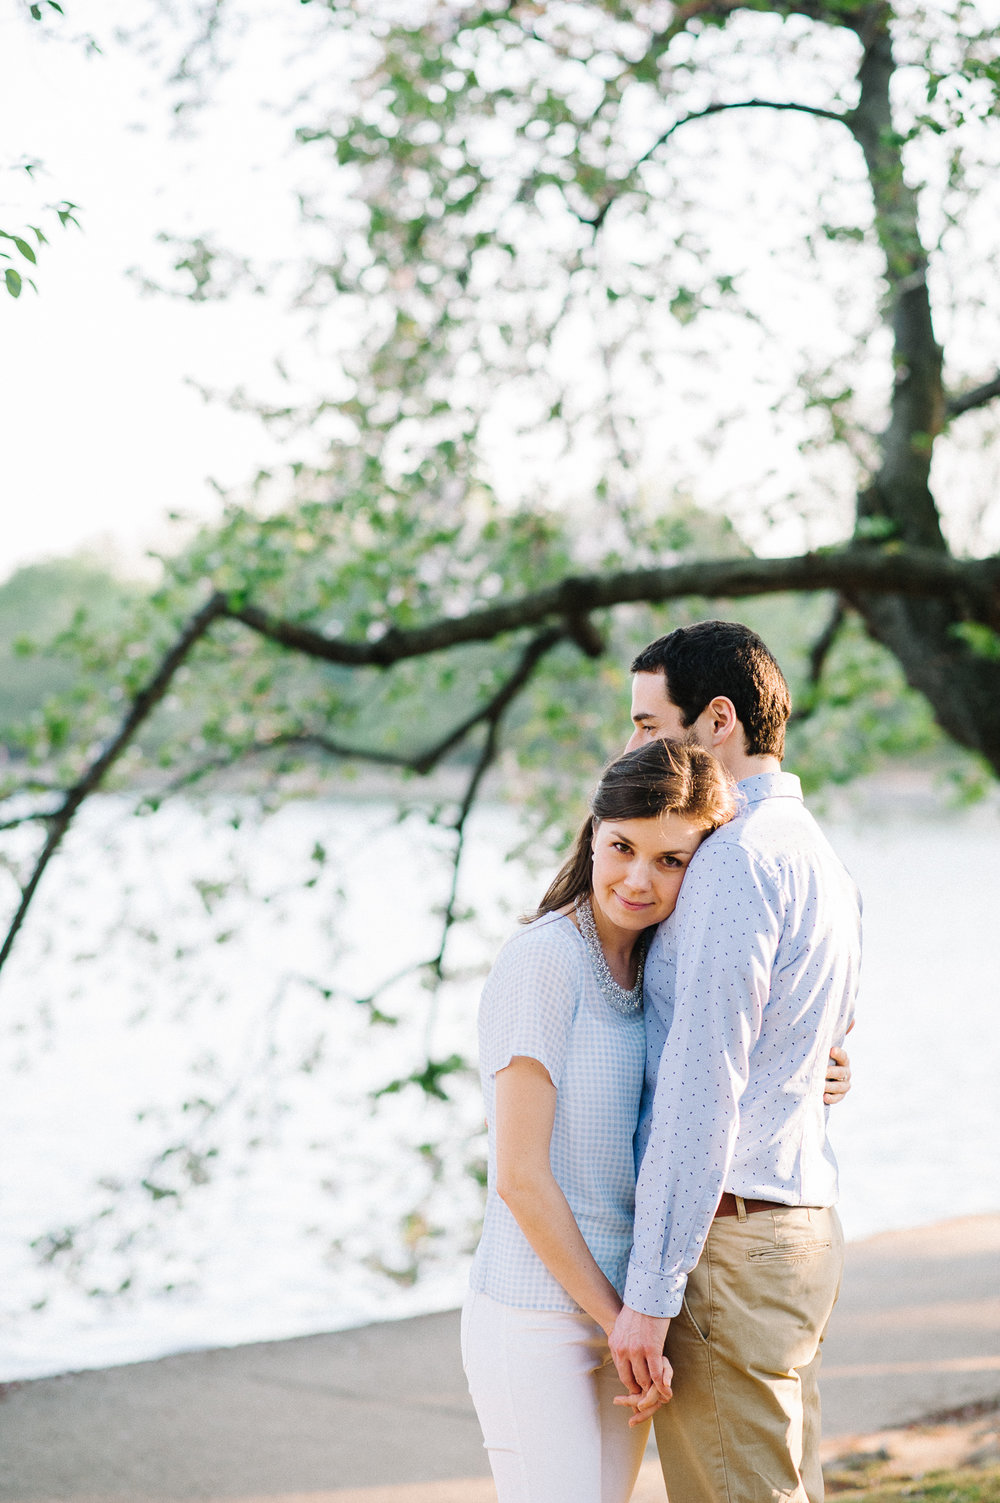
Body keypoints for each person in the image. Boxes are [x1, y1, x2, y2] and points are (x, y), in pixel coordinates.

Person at [462, 737, 852, 1503]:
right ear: (593, 835)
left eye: (671, 860)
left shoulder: (653, 971)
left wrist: (825, 1068)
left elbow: (723, 1070)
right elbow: (519, 1176)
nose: (639, 878)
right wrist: (623, 1320)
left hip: (626, 1313)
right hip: (540, 1314)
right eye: (622, 847)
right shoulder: (544, 959)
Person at [609, 621, 862, 1503]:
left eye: (649, 724)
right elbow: (826, 1035)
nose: (632, 745)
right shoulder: (815, 853)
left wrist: (649, 1292)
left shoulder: (733, 862)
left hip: (730, 1244)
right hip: (798, 1229)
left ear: (718, 720)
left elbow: (700, 1081)